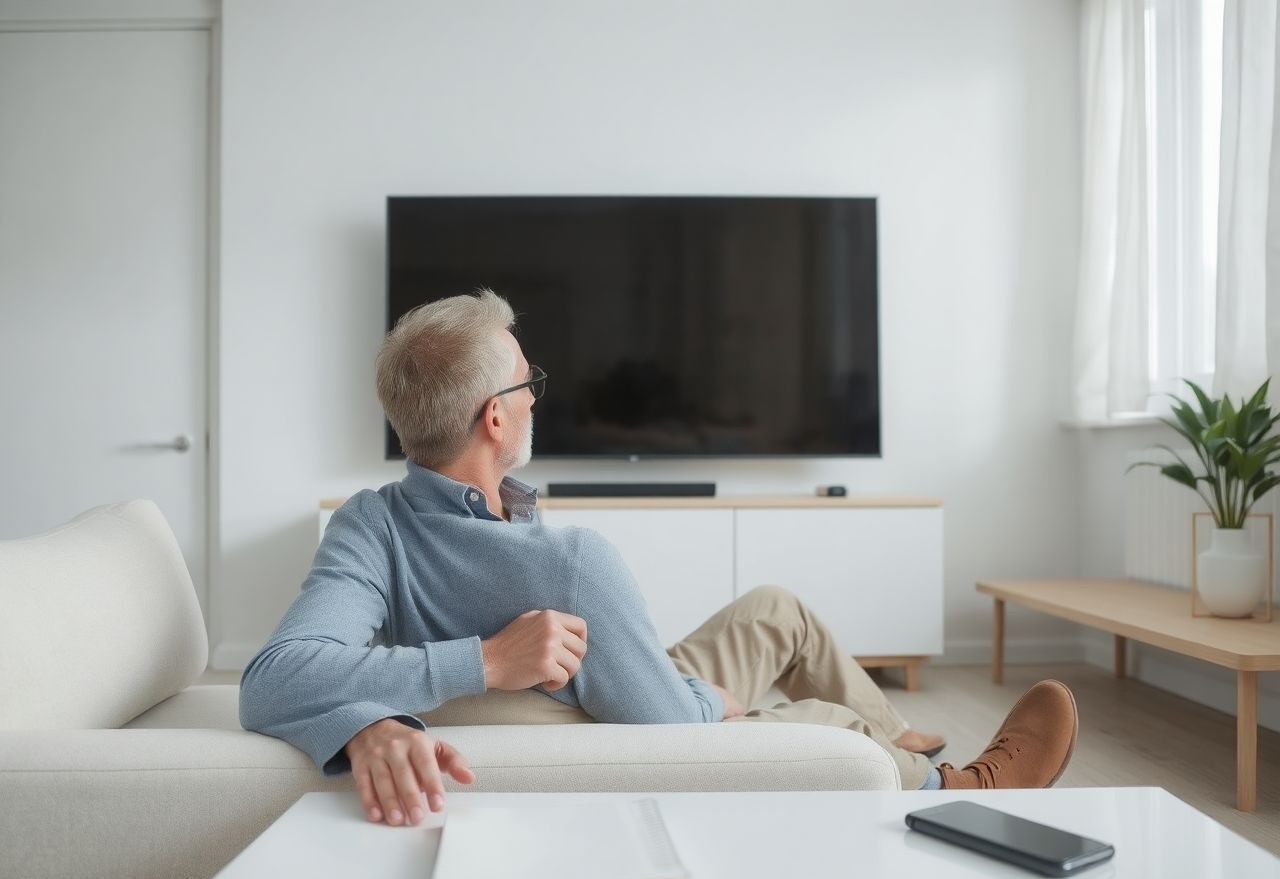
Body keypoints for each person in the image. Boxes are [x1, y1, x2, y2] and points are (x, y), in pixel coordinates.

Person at [240, 290, 1078, 828]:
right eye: (527, 383)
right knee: (829, 725)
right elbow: (671, 733)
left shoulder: (369, 521)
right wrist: (491, 661)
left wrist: (380, 705)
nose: (537, 395)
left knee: (776, 609)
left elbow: (283, 674)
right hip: (652, 714)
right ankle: (950, 787)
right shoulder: (569, 561)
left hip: (624, 681)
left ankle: (913, 737)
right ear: (495, 419)